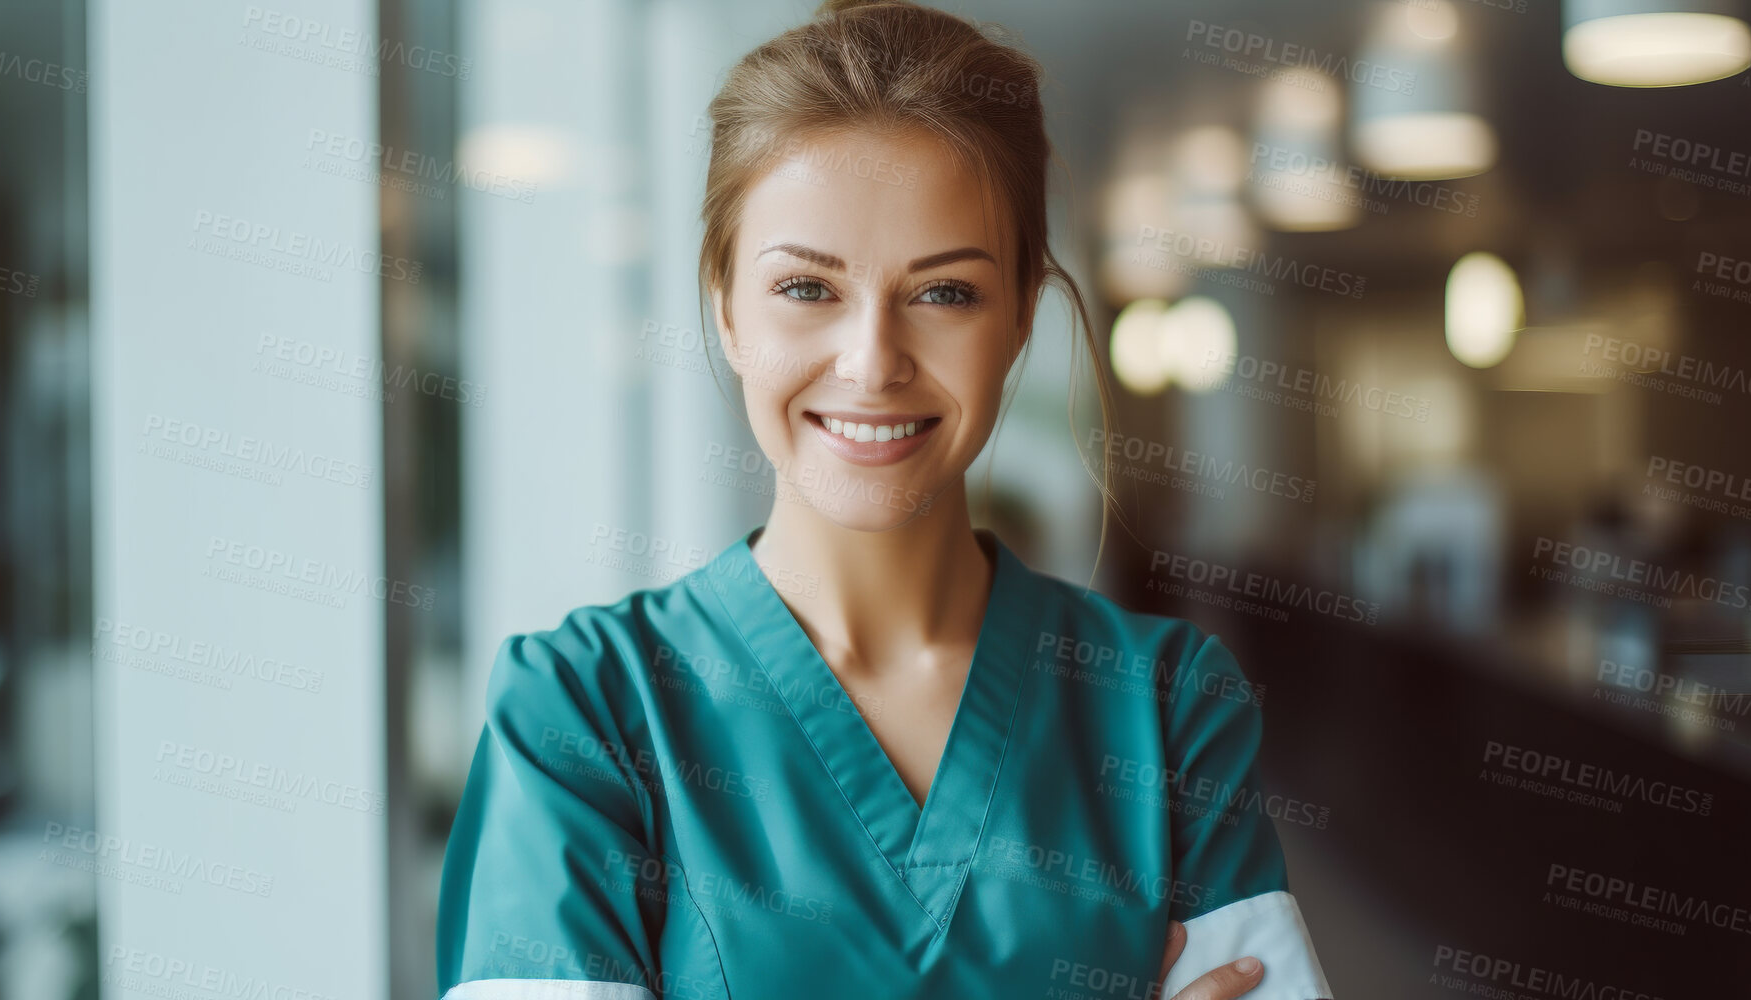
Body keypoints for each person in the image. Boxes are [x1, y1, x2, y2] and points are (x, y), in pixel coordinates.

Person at [437, 2, 1332, 997]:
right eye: (806, 289)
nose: (870, 364)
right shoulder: (585, 713)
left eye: (943, 292)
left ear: (1021, 317)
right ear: (727, 306)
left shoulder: (1163, 710)